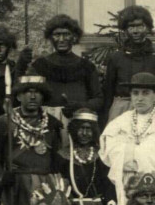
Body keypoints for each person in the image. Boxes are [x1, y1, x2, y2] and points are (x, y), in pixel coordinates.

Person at [0, 75, 63, 205]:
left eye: (37, 92)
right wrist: (1, 178)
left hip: (46, 187)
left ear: (43, 96)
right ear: (18, 96)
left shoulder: (53, 124)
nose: (32, 96)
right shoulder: (4, 122)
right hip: (16, 187)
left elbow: (56, 163)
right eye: (27, 92)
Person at [100, 72, 155, 205]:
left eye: (145, 93)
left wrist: (133, 152)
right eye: (135, 93)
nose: (139, 98)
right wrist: (126, 158)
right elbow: (109, 149)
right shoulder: (121, 121)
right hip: (128, 181)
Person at [30, 14, 103, 148]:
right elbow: (29, 95)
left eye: (66, 34)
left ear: (74, 37)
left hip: (79, 123)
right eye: (57, 35)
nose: (62, 39)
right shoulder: (40, 66)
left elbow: (98, 99)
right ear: (51, 37)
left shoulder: (86, 66)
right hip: (46, 123)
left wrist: (79, 106)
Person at [102, 5, 155, 123]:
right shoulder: (116, 57)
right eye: (131, 27)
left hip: (152, 110)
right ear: (125, 29)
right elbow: (108, 91)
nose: (136, 31)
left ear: (148, 28)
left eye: (140, 26)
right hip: (122, 109)